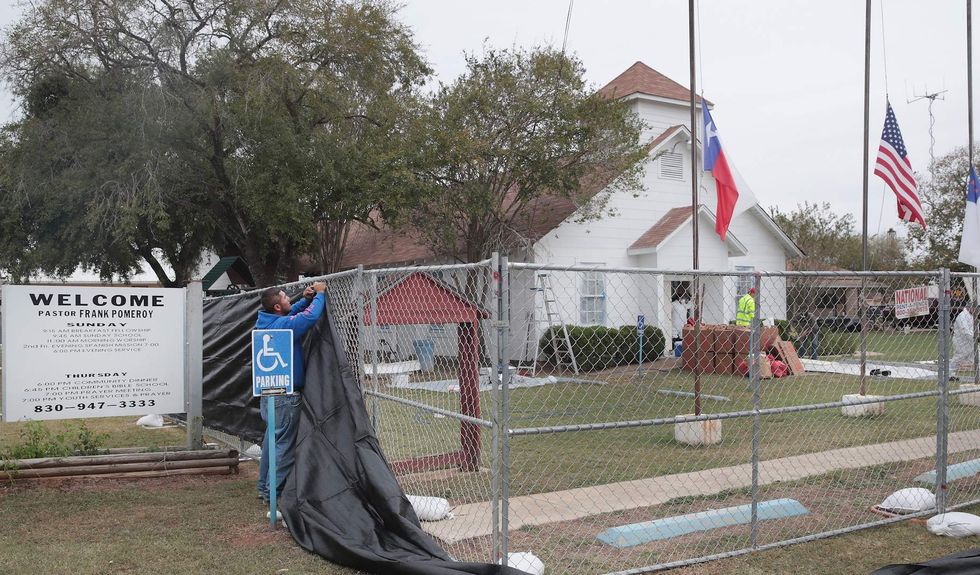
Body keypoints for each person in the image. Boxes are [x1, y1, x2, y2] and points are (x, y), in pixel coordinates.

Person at [256, 280, 327, 504]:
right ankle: (273, 494)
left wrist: (304, 300)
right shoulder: (283, 326)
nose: (290, 299)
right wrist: (320, 295)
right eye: (286, 298)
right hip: (285, 396)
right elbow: (309, 317)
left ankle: (263, 488)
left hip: (269, 395)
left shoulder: (266, 322)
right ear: (277, 307)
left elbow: (292, 314)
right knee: (284, 446)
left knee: (271, 442)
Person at [952, 303, 976, 377]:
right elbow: (965, 331)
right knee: (959, 357)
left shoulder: (972, 316)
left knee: (974, 357)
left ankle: (976, 375)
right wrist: (975, 337)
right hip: (961, 341)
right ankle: (950, 372)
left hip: (971, 341)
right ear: (970, 307)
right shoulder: (962, 316)